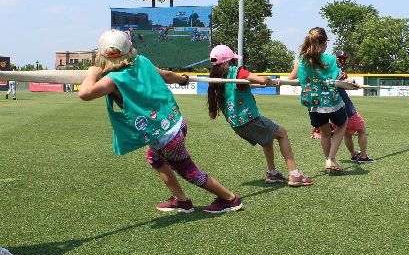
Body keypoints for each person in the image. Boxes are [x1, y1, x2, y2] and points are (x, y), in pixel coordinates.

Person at [78, 30, 242, 214]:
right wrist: (183, 79)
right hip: (175, 122)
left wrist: (92, 73)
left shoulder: (112, 80)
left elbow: (85, 93)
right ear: (130, 48)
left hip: (166, 138)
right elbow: (167, 75)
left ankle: (230, 199)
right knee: (154, 157)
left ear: (101, 55)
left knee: (189, 170)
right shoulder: (143, 61)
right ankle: (181, 200)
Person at [206, 44, 313, 187]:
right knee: (282, 133)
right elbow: (262, 80)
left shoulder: (218, 77)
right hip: (250, 119)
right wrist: (269, 81)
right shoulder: (236, 71)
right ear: (227, 61)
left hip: (237, 124)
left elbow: (244, 85)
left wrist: (266, 85)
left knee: (267, 140)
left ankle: (272, 173)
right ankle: (294, 174)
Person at [288, 27, 348, 172]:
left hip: (313, 103)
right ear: (323, 43)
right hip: (331, 102)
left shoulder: (301, 60)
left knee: (324, 131)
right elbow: (338, 77)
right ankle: (331, 159)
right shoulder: (331, 59)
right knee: (343, 123)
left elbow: (292, 77)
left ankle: (329, 160)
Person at [331, 50, 374, 163]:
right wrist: (353, 83)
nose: (342, 61)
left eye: (343, 59)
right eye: (340, 58)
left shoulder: (331, 69)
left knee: (347, 133)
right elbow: (339, 82)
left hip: (335, 106)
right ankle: (363, 156)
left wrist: (351, 83)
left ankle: (354, 155)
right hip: (345, 106)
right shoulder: (334, 70)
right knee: (362, 130)